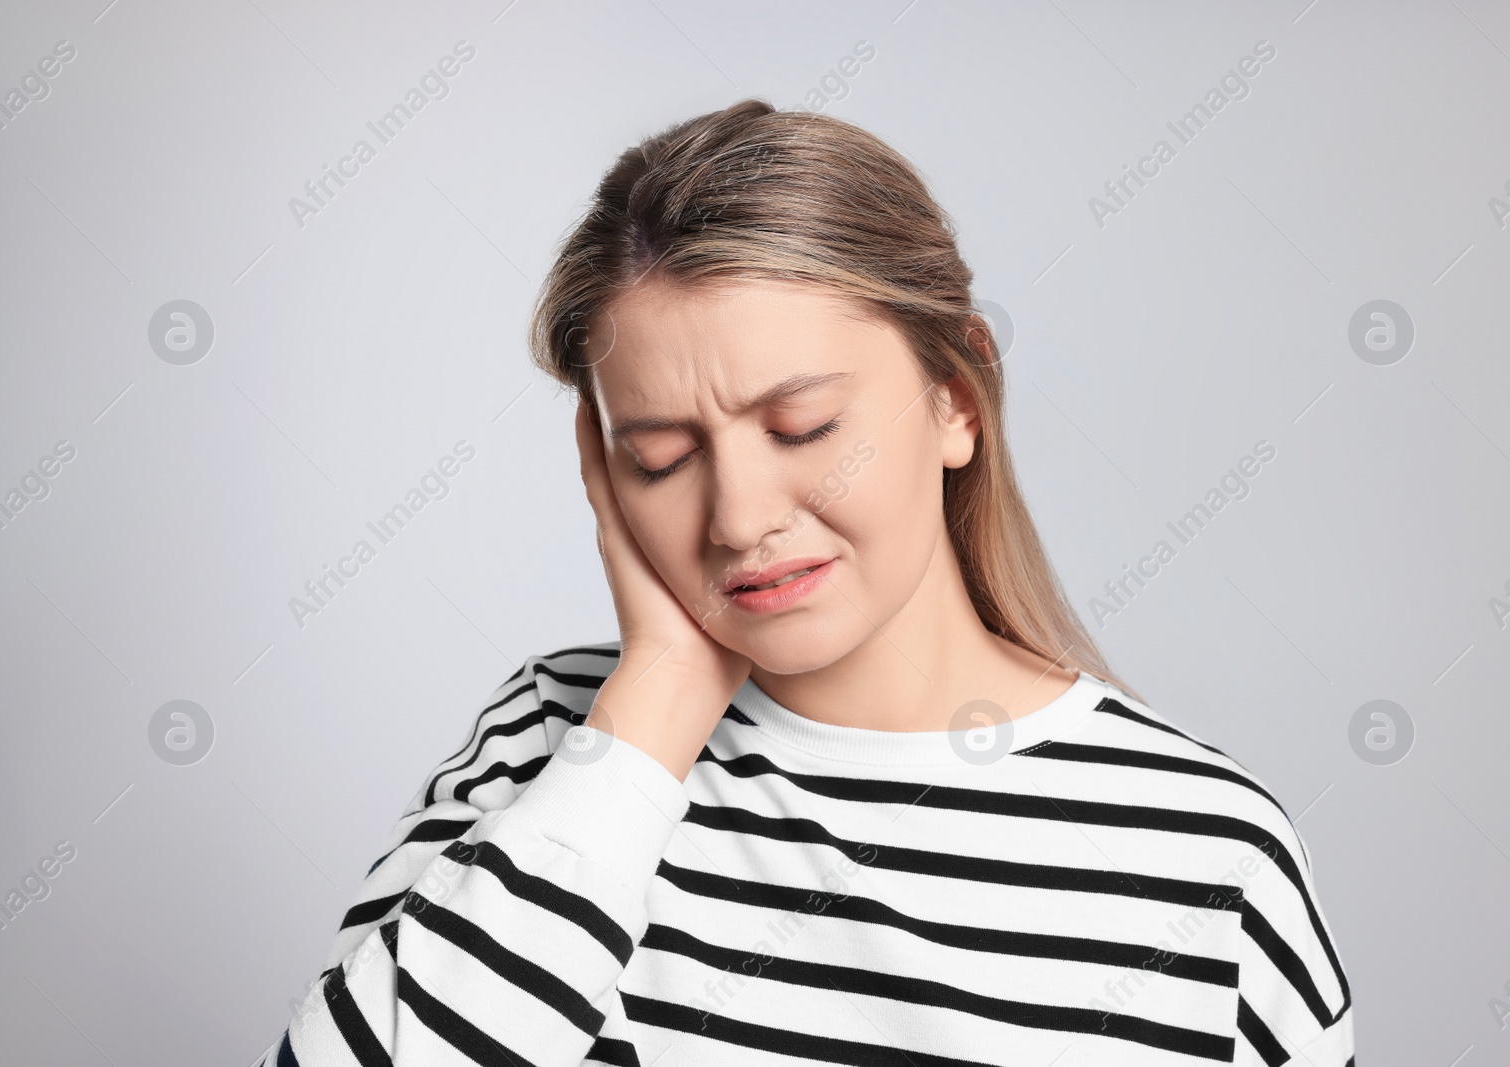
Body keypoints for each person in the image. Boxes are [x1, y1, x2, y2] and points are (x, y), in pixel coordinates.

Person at [255, 98, 1354, 1066]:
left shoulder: (1204, 860)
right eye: (660, 456)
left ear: (956, 398)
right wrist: (656, 709)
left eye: (804, 425)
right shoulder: (551, 744)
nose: (738, 517)